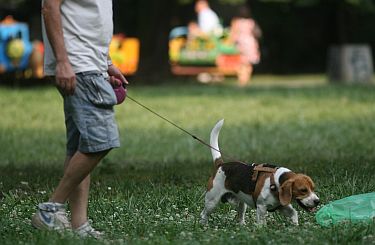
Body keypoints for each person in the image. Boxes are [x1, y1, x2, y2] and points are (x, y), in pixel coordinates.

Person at [31, 0, 128, 238]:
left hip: (89, 65)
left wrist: (106, 64)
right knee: (101, 141)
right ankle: (51, 209)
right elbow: (49, 8)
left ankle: (79, 225)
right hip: (78, 66)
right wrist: (63, 62)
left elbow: (90, 19)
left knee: (81, 147)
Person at [230, 6, 261, 86]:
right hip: (250, 43)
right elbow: (257, 33)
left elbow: (233, 34)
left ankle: (242, 79)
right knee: (248, 63)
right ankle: (246, 78)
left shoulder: (236, 21)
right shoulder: (251, 22)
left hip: (241, 43)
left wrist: (232, 43)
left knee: (241, 63)